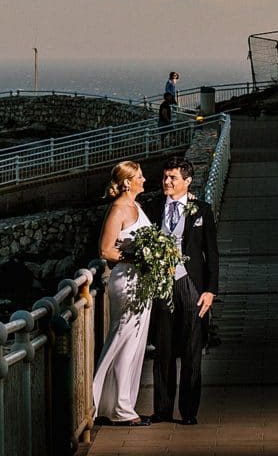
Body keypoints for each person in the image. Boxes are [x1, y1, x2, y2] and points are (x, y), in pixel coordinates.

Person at [145, 156, 219, 425]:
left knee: (191, 350)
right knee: (162, 348)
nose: (166, 182)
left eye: (172, 178)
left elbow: (212, 253)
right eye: (165, 177)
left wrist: (210, 290)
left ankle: (189, 412)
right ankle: (162, 410)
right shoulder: (152, 207)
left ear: (187, 181)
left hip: (191, 284)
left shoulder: (202, 210)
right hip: (161, 285)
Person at [92, 161, 152, 426]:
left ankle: (118, 404)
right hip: (127, 281)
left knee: (134, 343)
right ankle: (116, 407)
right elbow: (105, 250)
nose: (144, 180)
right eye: (139, 176)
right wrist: (135, 256)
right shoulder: (118, 209)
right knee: (122, 339)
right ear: (127, 182)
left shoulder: (135, 206)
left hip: (141, 281)